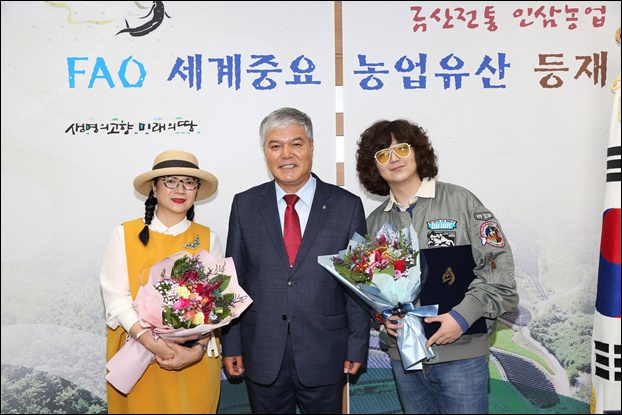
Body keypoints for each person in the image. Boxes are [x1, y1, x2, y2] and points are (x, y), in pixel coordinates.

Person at [355, 119, 519, 414]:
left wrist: (461, 317)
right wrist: (382, 318)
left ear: (417, 151)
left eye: (401, 148)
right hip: (405, 358)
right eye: (382, 154)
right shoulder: (374, 224)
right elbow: (368, 293)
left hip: (462, 354)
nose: (394, 159)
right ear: (373, 166)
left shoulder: (462, 202)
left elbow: (499, 274)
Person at [220, 107, 371, 414]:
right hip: (261, 350)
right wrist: (231, 343)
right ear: (265, 151)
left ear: (311, 146)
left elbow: (358, 285)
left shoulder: (347, 206)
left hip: (326, 351)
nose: (286, 154)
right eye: (275, 146)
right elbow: (234, 281)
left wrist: (357, 345)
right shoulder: (245, 204)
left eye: (296, 144)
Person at [100, 149, 223, 414]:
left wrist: (196, 349)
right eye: (170, 181)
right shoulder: (125, 234)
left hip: (193, 359)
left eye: (189, 182)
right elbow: (116, 297)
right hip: (136, 355)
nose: (180, 189)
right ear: (154, 188)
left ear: (196, 191)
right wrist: (150, 341)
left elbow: (214, 307)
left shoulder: (208, 238)